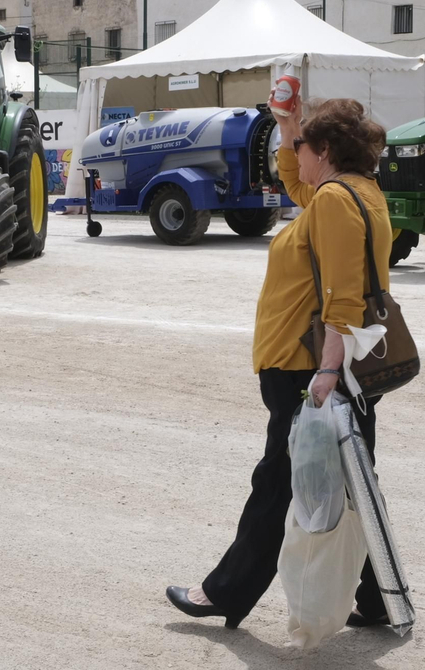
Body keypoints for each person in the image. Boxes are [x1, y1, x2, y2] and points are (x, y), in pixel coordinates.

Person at [166, 92, 393, 630]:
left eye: (301, 144)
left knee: (276, 483)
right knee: (352, 482)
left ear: (327, 150)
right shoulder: (353, 192)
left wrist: (328, 373)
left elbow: (341, 296)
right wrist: (290, 122)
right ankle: (381, 594)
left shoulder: (336, 201)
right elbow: (296, 184)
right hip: (331, 367)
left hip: (309, 368)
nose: (293, 151)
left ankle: (225, 591)